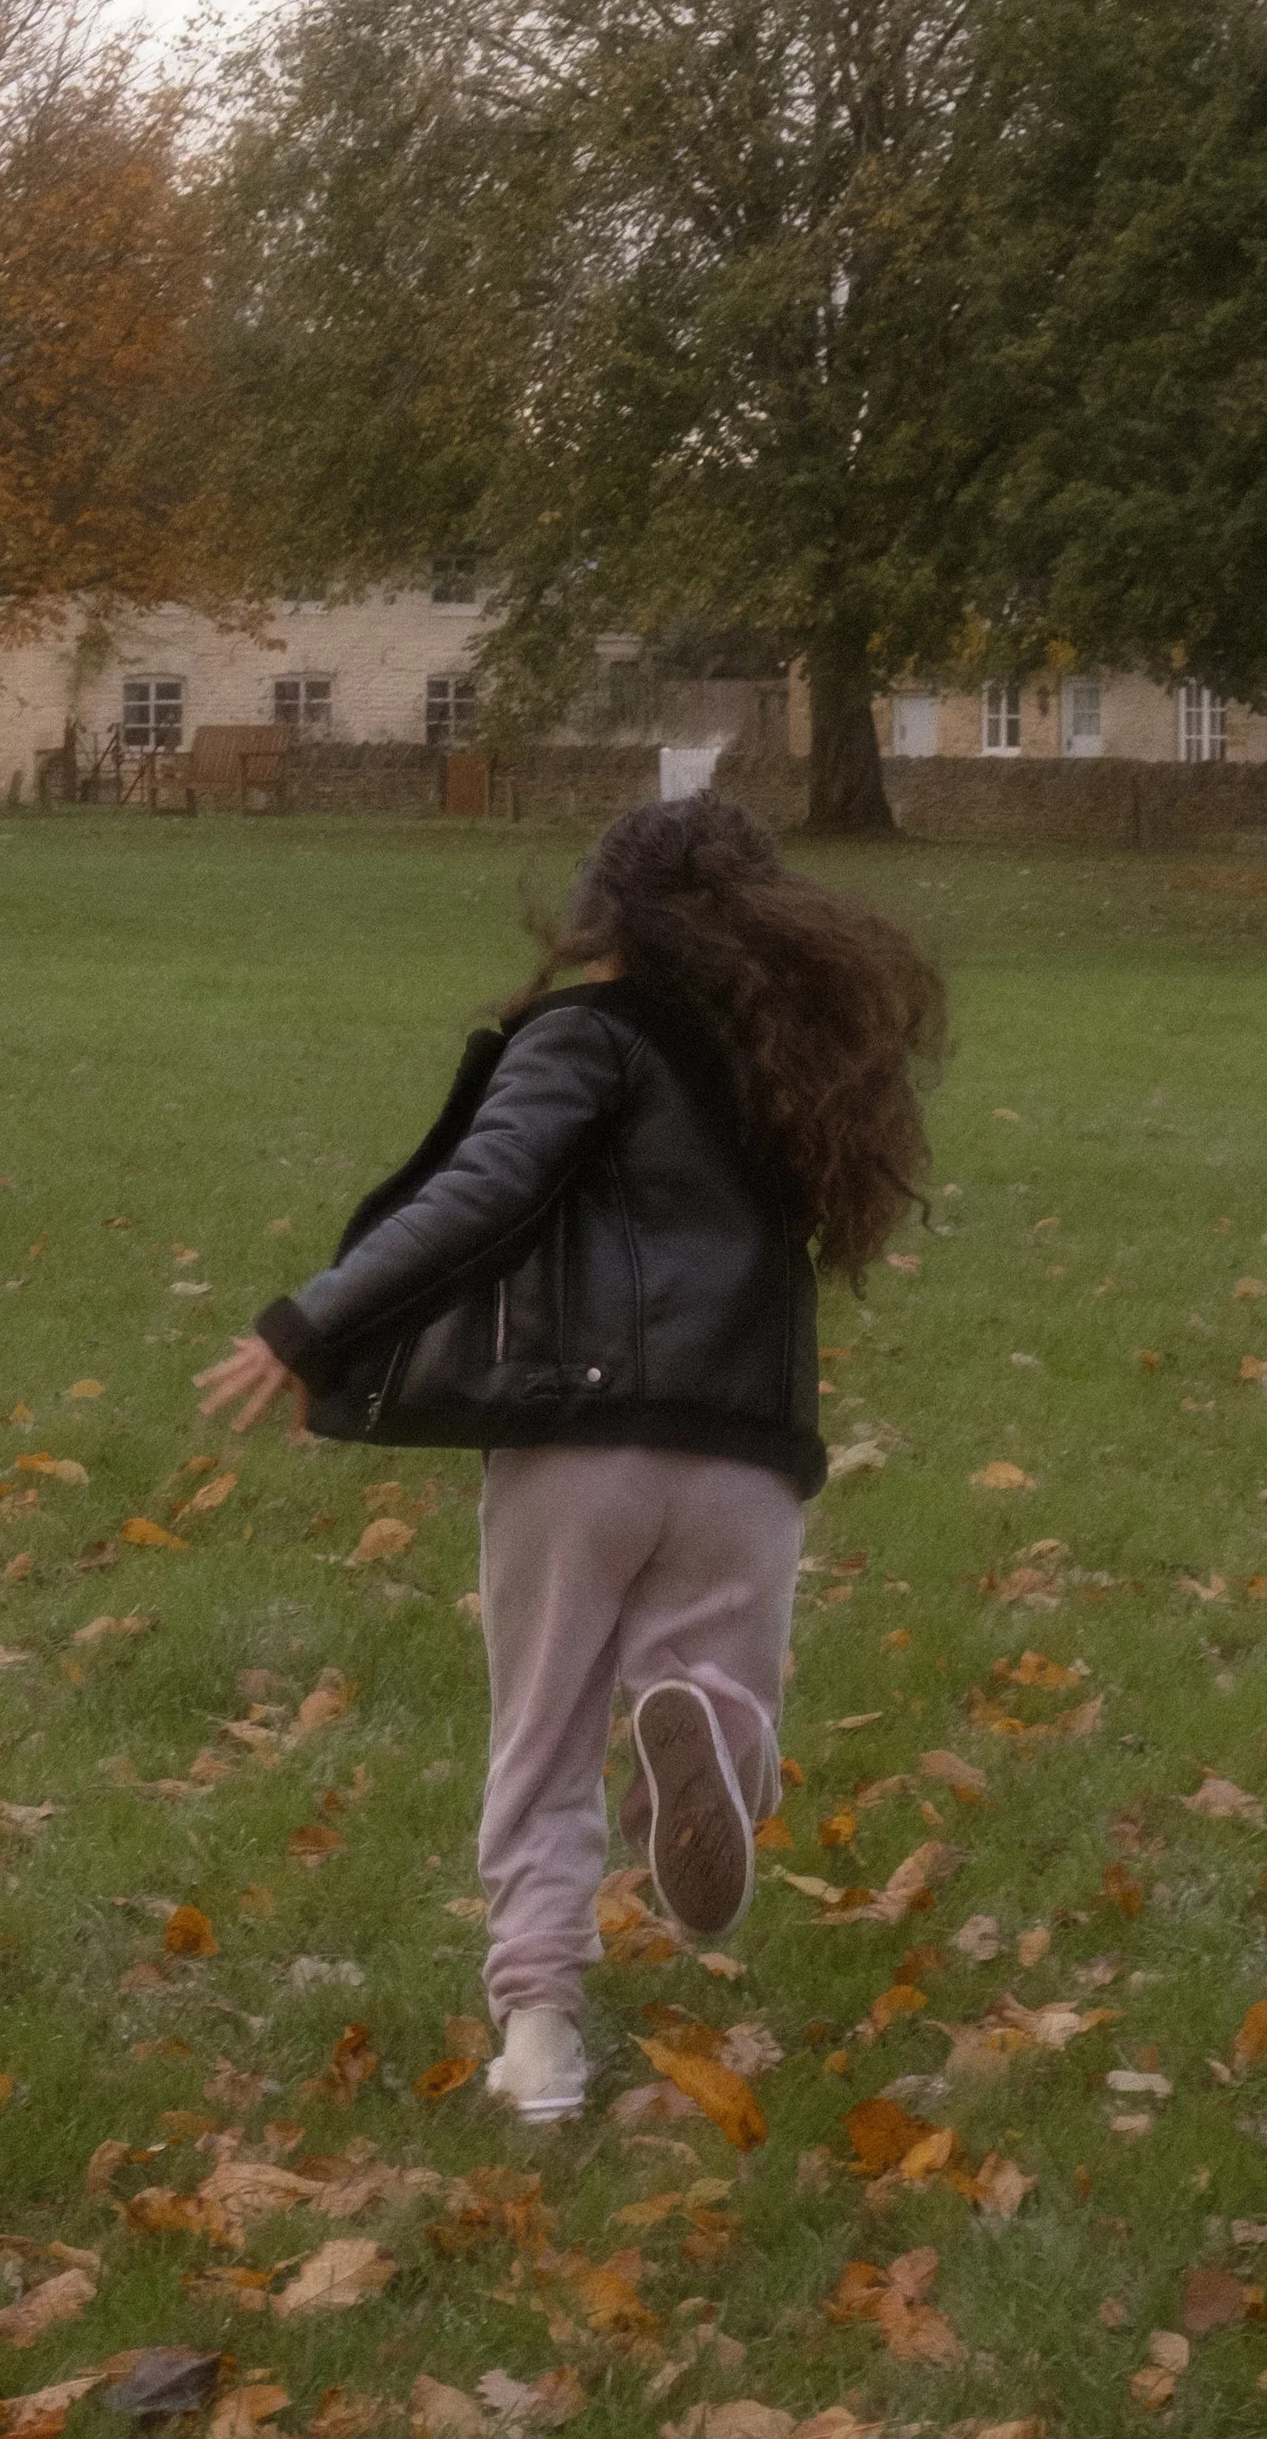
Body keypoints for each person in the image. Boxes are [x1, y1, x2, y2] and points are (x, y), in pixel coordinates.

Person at [196, 793, 943, 2120]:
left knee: (543, 1738)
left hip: (579, 1443)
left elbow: (480, 1192)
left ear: (602, 915)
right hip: (745, 1452)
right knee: (724, 1698)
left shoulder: (585, 1040)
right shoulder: (792, 1065)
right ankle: (706, 1731)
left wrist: (314, 1325)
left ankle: (539, 2043)